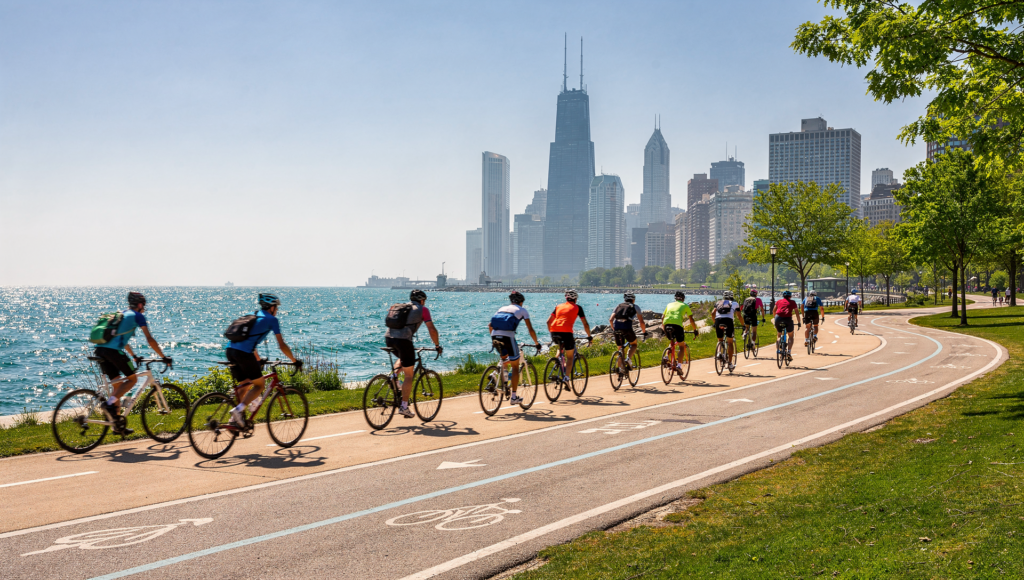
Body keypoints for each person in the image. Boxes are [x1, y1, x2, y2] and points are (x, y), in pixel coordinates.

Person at [94, 291, 171, 435]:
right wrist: (163, 356)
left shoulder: (121, 314)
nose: (144, 308)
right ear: (140, 305)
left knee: (117, 386)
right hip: (113, 352)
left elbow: (122, 340)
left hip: (100, 350)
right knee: (133, 379)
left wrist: (134, 356)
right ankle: (109, 404)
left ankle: (116, 425)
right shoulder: (138, 316)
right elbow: (150, 339)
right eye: (144, 305)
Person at [226, 293, 300, 427]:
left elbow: (248, 341)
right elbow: (282, 345)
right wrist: (294, 360)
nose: (277, 310)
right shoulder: (272, 320)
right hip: (243, 354)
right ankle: (238, 411)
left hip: (230, 350)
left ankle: (233, 422)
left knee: (246, 384)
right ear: (271, 308)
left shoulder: (252, 315)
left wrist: (258, 360)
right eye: (276, 307)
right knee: (260, 385)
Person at [384, 289, 441, 418]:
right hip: (403, 341)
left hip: (389, 338)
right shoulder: (423, 310)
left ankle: (394, 377)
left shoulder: (402, 307)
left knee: (402, 358)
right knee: (409, 375)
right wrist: (437, 345)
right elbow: (431, 329)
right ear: (422, 300)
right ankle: (404, 407)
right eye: (424, 301)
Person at [489, 291, 541, 404]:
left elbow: (490, 325)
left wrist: (494, 339)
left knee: (505, 359)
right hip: (508, 337)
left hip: (495, 336)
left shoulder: (501, 308)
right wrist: (536, 343)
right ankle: (513, 397)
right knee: (516, 366)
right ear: (521, 302)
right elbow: (530, 329)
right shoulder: (522, 310)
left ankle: (495, 374)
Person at [547, 290, 593, 385]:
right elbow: (585, 324)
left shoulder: (558, 306)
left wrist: (552, 333)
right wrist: (589, 336)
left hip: (554, 331)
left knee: (560, 346)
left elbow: (548, 322)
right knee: (570, 357)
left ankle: (557, 361)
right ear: (575, 299)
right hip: (567, 332)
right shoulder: (578, 308)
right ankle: (566, 379)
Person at [662, 291, 700, 374]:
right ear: (683, 299)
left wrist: (663, 329)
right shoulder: (685, 305)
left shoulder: (669, 304)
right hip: (677, 325)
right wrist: (695, 330)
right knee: (681, 346)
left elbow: (663, 317)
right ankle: (679, 366)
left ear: (675, 298)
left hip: (666, 324)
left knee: (671, 341)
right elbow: (691, 319)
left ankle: (666, 357)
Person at [609, 292, 648, 372]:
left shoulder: (618, 306)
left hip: (617, 328)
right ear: (633, 300)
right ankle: (628, 359)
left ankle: (621, 369)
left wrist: (613, 329)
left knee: (620, 348)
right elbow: (641, 322)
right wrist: (644, 332)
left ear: (625, 299)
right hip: (627, 328)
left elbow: (611, 319)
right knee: (634, 344)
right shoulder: (635, 307)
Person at [713, 290, 742, 372]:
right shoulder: (735, 303)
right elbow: (739, 316)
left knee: (720, 339)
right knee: (730, 342)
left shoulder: (718, 302)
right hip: (728, 321)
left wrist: (714, 323)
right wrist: (743, 325)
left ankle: (719, 352)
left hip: (718, 321)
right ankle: (730, 363)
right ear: (732, 296)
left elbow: (712, 313)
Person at [772, 290, 800, 361]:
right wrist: (799, 322)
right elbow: (797, 312)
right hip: (787, 319)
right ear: (790, 296)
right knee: (791, 336)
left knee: (779, 334)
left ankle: (778, 349)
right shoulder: (792, 302)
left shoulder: (778, 301)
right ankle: (789, 352)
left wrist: (775, 318)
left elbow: (774, 311)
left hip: (778, 318)